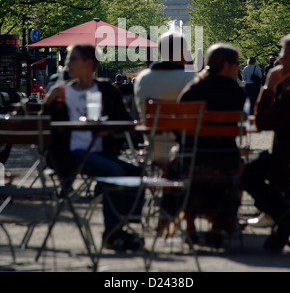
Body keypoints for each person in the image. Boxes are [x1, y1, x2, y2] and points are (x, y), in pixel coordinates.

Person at [42, 43, 144, 252]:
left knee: (136, 172)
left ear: (89, 64)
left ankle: (123, 224)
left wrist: (108, 129)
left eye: (72, 59)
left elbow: (125, 122)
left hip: (100, 151)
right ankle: (113, 233)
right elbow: (43, 129)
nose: (67, 64)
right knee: (114, 172)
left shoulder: (104, 89)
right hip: (69, 154)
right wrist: (47, 103)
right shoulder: (61, 92)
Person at [178, 43, 246, 247]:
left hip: (191, 158)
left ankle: (190, 225)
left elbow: (179, 122)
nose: (238, 67)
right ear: (226, 65)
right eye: (236, 63)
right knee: (240, 168)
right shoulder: (236, 92)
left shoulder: (193, 88)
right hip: (226, 159)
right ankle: (217, 226)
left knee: (179, 164)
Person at [242, 31, 290, 252]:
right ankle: (288, 216)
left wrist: (269, 87)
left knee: (247, 174)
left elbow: (263, 123)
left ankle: (285, 214)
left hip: (289, 160)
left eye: (285, 55)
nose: (280, 59)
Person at [134, 30, 196, 124]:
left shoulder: (142, 78)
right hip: (184, 135)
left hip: (152, 136)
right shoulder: (191, 77)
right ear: (183, 52)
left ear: (160, 52)